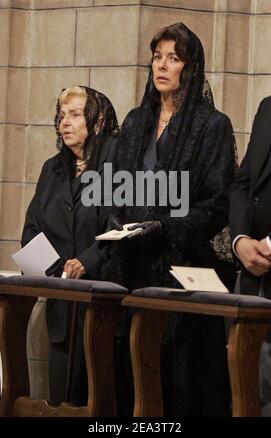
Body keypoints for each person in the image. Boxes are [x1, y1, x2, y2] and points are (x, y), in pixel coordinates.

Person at [102, 22, 237, 416]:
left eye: (173, 58)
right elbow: (114, 187)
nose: (162, 65)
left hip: (181, 269)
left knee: (176, 386)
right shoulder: (134, 121)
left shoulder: (212, 125)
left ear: (190, 68)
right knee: (128, 383)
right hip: (129, 269)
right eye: (157, 56)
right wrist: (116, 220)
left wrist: (164, 226)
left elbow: (217, 203)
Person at [21, 85, 119, 406]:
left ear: (98, 120)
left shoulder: (117, 164)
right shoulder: (52, 168)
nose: (65, 123)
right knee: (60, 403)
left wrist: (86, 262)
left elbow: (121, 228)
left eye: (75, 115)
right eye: (62, 116)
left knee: (98, 404)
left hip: (104, 308)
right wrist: (57, 272)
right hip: (62, 307)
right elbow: (32, 230)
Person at [229, 96, 271, 415]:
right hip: (252, 277)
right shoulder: (267, 106)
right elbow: (243, 183)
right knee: (247, 395)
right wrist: (240, 239)